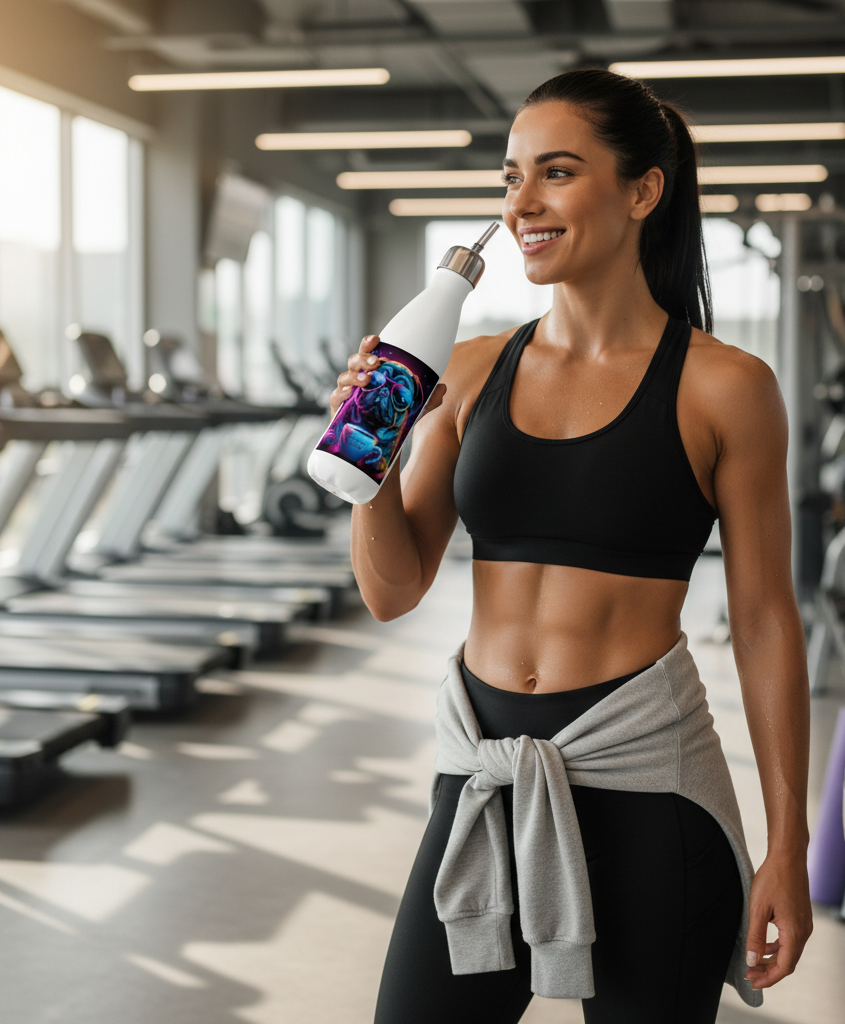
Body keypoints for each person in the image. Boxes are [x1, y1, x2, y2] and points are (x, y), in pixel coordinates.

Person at [333, 68, 812, 1024]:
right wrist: (369, 453)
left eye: (555, 172)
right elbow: (392, 590)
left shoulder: (724, 388)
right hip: (483, 774)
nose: (524, 204)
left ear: (643, 191)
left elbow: (762, 624)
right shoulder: (468, 369)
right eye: (512, 178)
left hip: (648, 786)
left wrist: (787, 848)